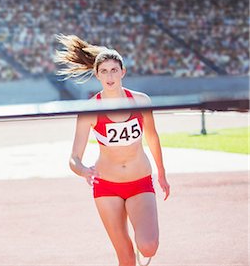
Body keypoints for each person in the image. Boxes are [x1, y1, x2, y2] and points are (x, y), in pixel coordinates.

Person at [54, 34, 170, 266]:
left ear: (123, 72)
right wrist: (84, 170)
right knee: (125, 257)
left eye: (114, 70)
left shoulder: (141, 101)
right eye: (104, 71)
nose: (109, 76)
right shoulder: (90, 110)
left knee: (148, 246)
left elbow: (152, 137)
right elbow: (74, 158)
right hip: (107, 187)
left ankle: (141, 247)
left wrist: (161, 173)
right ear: (96, 75)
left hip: (140, 181)